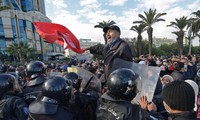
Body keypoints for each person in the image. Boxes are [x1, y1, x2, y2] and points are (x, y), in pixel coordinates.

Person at [96, 68, 161, 120]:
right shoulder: (131, 112)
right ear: (128, 90)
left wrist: (142, 110)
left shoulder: (102, 100)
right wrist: (152, 111)